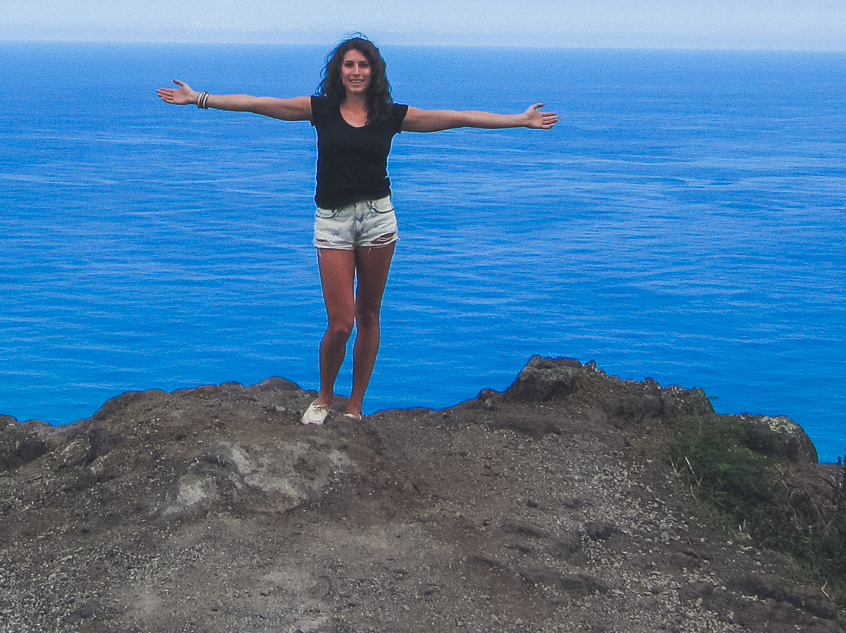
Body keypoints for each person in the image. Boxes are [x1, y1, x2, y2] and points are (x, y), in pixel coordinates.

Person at [157, 36, 557, 424]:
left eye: (363, 65)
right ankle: (325, 395)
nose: (356, 71)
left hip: (378, 220)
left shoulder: (390, 116)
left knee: (368, 316)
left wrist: (520, 121)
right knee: (340, 323)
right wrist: (200, 99)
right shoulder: (321, 110)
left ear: (374, 71)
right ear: (339, 70)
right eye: (349, 64)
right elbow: (261, 104)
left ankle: (355, 406)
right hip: (332, 223)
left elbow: (459, 118)